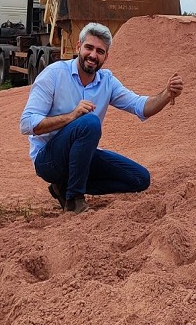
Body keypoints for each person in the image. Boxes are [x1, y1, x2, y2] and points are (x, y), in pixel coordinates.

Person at [19, 22, 183, 213]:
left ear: (106, 56)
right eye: (89, 47)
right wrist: (71, 117)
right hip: (48, 160)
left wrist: (166, 94)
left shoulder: (107, 81)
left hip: (81, 157)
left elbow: (140, 106)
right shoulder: (54, 75)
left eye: (100, 51)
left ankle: (64, 186)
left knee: (140, 178)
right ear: (79, 47)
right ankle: (75, 200)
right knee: (89, 122)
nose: (93, 55)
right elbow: (26, 124)